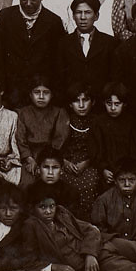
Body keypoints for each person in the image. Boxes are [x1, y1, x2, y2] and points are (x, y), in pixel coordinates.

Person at [0, 0, 65, 106]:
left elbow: (58, 61)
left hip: (41, 91)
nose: (28, 3)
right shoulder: (5, 17)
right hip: (12, 89)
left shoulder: (53, 21)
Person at [58, 0, 116, 99]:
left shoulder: (110, 43)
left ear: (96, 16)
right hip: (72, 103)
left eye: (88, 12)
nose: (83, 17)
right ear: (73, 16)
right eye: (79, 12)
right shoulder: (63, 43)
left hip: (101, 104)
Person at [60, 82, 101, 219]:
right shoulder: (65, 119)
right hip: (67, 163)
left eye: (86, 100)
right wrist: (64, 161)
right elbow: (58, 144)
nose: (82, 105)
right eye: (77, 101)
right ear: (70, 104)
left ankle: (86, 221)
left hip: (88, 163)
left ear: (93, 102)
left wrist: (87, 162)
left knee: (90, 183)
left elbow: (99, 147)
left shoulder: (96, 121)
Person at [17, 78, 68, 181]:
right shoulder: (22, 113)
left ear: (52, 94)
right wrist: (29, 159)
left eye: (46, 93)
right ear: (30, 94)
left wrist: (46, 161)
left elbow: (59, 139)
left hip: (51, 157)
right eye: (36, 92)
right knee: (26, 180)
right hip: (29, 157)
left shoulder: (59, 113)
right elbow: (20, 139)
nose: (41, 96)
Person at [91, 158, 136, 244]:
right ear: (115, 181)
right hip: (112, 245)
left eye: (131, 180)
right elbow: (98, 228)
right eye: (122, 180)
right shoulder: (104, 199)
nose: (127, 184)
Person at [96, 82, 136, 189]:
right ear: (103, 103)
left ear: (124, 104)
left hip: (128, 170)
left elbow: (135, 150)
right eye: (109, 103)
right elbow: (96, 150)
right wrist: (103, 169)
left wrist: (129, 171)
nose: (112, 108)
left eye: (117, 104)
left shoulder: (130, 122)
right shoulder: (99, 122)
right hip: (108, 171)